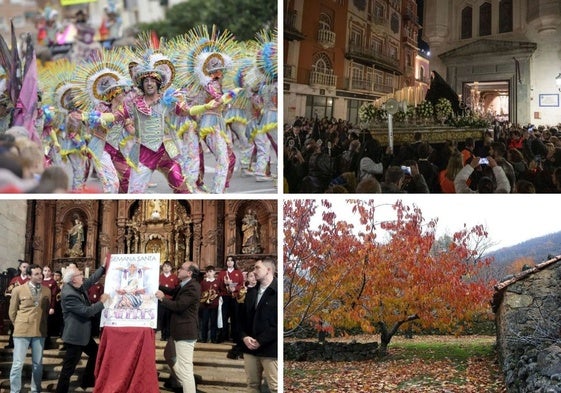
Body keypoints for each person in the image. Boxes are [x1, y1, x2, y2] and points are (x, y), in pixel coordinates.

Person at [55, 263, 109, 393]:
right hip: (75, 336)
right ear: (74, 279)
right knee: (68, 369)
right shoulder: (69, 294)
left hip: (83, 334)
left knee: (95, 353)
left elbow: (90, 280)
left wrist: (102, 267)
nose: (82, 276)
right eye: (80, 274)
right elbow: (86, 311)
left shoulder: (76, 286)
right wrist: (102, 302)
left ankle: (87, 381)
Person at [156, 261, 201, 393]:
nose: (178, 270)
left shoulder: (193, 287)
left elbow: (179, 306)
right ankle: (183, 380)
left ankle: (187, 385)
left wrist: (163, 299)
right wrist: (155, 285)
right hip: (177, 330)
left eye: (182, 268)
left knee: (186, 369)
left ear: (189, 273)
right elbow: (171, 290)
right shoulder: (184, 285)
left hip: (185, 331)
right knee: (169, 354)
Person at [9, 264, 51, 393]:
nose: (40, 276)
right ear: (28, 276)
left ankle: (35, 390)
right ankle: (15, 391)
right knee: (17, 364)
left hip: (39, 331)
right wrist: (20, 325)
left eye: (40, 273)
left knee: (38, 364)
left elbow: (44, 311)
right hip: (22, 331)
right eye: (37, 274)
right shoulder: (18, 290)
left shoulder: (47, 290)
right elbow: (12, 312)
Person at [239, 258, 278, 393]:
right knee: (252, 385)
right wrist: (244, 337)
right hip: (250, 347)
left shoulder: (278, 292)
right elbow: (241, 319)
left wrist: (261, 341)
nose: (253, 271)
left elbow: (277, 325)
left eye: (257, 268)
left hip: (270, 349)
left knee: (275, 387)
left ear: (268, 270)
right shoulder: (251, 292)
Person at [217, 256, 244, 344]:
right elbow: (218, 285)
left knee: (235, 317)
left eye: (231, 260)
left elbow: (241, 284)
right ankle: (223, 336)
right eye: (228, 260)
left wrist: (235, 288)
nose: (229, 262)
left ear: (234, 262)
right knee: (224, 317)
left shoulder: (238, 272)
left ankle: (235, 336)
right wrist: (224, 284)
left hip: (234, 296)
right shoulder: (222, 273)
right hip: (225, 296)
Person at [4, 260, 30, 349]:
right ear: (20, 268)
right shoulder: (15, 279)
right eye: (24, 267)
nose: (26, 269)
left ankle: (26, 344)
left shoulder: (31, 280)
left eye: (27, 267)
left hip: (26, 307)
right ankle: (12, 343)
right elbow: (8, 292)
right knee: (13, 325)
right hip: (16, 306)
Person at [158, 261, 179, 341]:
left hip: (170, 301)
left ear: (171, 268)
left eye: (168, 266)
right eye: (164, 266)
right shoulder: (159, 277)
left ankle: (169, 335)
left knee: (169, 319)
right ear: (162, 268)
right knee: (162, 318)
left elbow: (176, 289)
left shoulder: (174, 277)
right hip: (161, 301)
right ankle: (163, 335)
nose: (166, 268)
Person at [199, 265, 219, 343]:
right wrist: (205, 295)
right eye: (207, 272)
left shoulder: (217, 282)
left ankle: (213, 338)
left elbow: (220, 291)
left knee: (213, 322)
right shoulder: (203, 282)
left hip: (214, 305)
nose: (209, 273)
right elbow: (200, 293)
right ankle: (204, 338)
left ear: (214, 272)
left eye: (211, 271)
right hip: (205, 306)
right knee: (205, 322)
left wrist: (215, 295)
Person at [42, 265, 60, 349]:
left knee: (47, 325)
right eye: (45, 270)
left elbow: (54, 295)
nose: (47, 272)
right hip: (40, 306)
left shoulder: (53, 282)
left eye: (48, 270)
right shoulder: (40, 281)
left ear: (51, 272)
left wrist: (52, 307)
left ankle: (46, 343)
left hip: (48, 306)